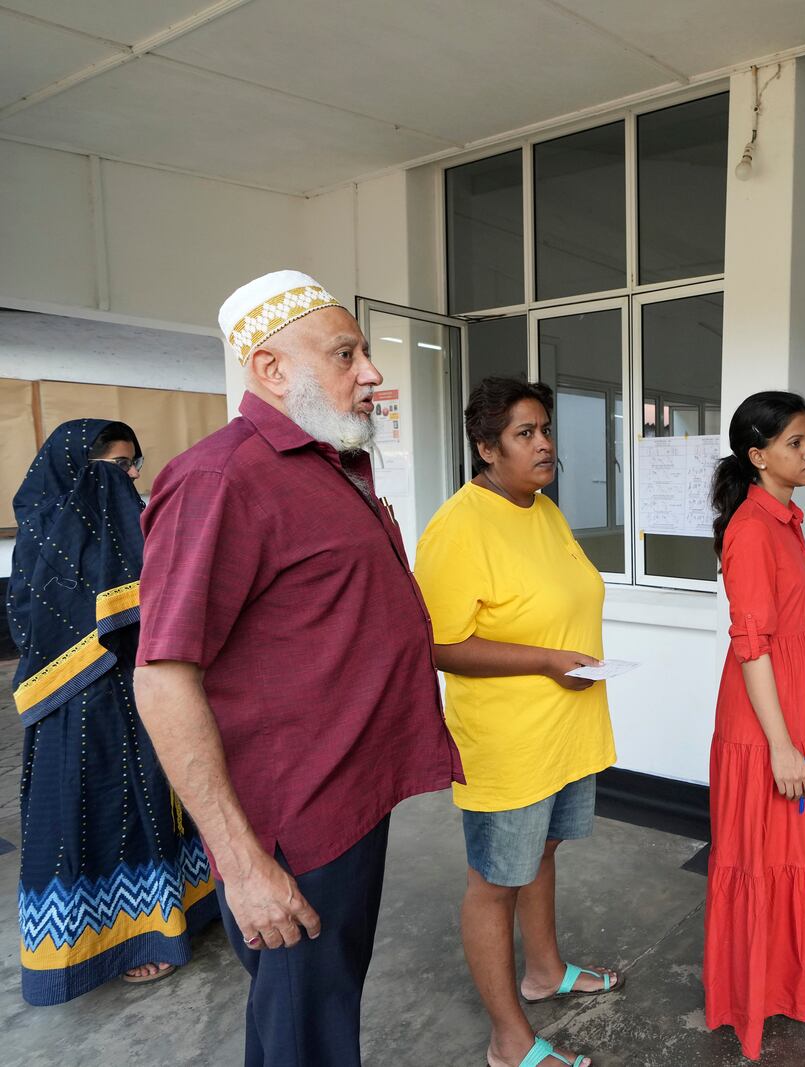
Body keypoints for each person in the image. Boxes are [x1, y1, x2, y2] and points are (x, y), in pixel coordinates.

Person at [133, 270, 462, 1066]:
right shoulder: (222, 478)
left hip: (349, 796)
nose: (372, 371)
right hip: (292, 822)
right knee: (305, 1030)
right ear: (272, 369)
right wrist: (244, 865)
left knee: (312, 1008)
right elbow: (162, 675)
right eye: (346, 353)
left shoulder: (331, 459)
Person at [414, 377, 619, 1067]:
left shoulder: (541, 510)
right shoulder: (460, 524)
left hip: (562, 729)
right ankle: (508, 1038)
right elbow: (440, 643)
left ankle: (545, 971)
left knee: (543, 855)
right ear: (486, 447)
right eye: (525, 433)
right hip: (507, 741)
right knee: (495, 882)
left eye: (545, 429)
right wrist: (545, 659)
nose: (545, 443)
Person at [9, 420, 216, 1005]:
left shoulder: (121, 519)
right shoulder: (51, 527)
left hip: (136, 687)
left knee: (164, 790)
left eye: (134, 463)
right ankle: (129, 936)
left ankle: (181, 908)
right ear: (81, 471)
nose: (130, 477)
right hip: (79, 704)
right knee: (102, 805)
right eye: (117, 466)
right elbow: (38, 618)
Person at [703, 391, 805, 1060]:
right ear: (758, 455)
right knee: (766, 854)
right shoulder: (749, 527)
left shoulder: (786, 519)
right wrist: (780, 746)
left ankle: (794, 973)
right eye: (796, 442)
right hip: (763, 719)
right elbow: (751, 644)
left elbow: (783, 610)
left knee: (796, 847)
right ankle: (760, 987)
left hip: (795, 701)